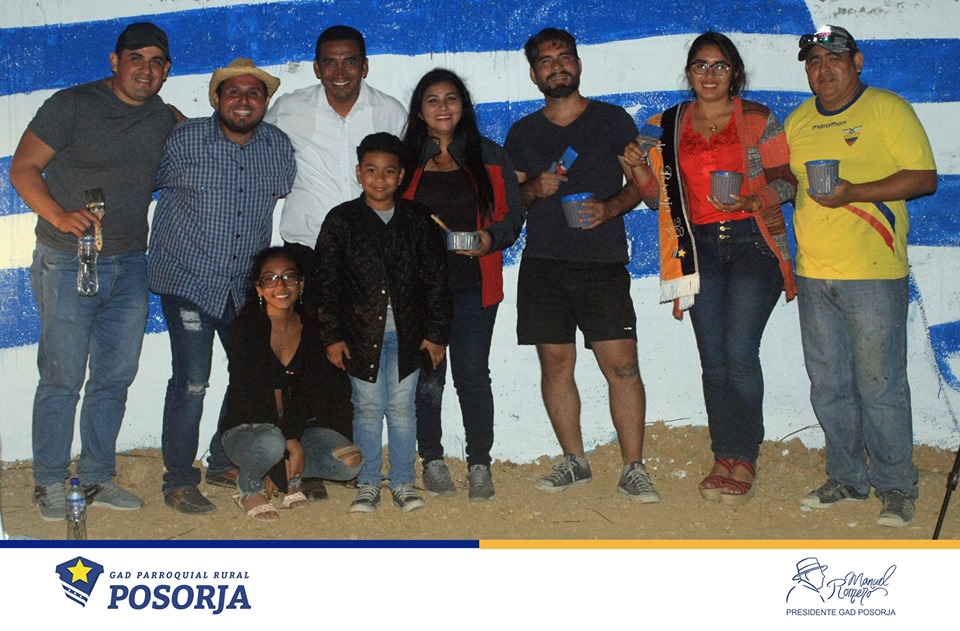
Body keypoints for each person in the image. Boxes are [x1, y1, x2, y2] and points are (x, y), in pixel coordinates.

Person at [10, 22, 178, 520]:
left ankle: (98, 475)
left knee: (114, 377)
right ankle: (49, 482)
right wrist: (59, 216)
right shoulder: (71, 104)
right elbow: (22, 168)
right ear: (115, 61)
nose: (146, 69)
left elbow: (202, 145)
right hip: (68, 259)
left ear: (167, 70)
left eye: (157, 62)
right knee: (62, 378)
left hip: (131, 263)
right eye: (136, 58)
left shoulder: (164, 117)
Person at [785, 25, 937, 527]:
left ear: (857, 62)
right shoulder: (799, 120)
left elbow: (924, 178)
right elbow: (789, 183)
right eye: (814, 61)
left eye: (834, 58)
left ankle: (896, 486)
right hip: (813, 271)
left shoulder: (887, 108)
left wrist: (854, 192)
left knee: (880, 384)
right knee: (828, 384)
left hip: (873, 272)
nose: (823, 69)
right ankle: (847, 478)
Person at [503, 28, 662, 502]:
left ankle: (634, 468)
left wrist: (609, 208)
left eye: (564, 57)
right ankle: (575, 461)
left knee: (623, 367)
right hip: (543, 264)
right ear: (534, 75)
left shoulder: (612, 120)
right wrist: (534, 189)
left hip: (601, 262)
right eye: (546, 61)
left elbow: (644, 188)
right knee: (556, 366)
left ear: (578, 63)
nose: (557, 66)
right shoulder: (523, 132)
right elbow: (510, 202)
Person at [644, 32, 797, 505]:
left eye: (720, 66)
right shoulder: (665, 124)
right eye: (700, 65)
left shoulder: (758, 118)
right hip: (700, 249)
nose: (709, 75)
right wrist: (635, 167)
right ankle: (722, 454)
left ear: (735, 73)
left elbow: (787, 181)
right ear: (688, 72)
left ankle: (745, 457)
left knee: (739, 352)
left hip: (753, 243)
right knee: (712, 359)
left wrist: (756, 199)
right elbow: (652, 196)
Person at [148, 58, 296, 514]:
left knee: (249, 375)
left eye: (254, 93)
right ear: (216, 98)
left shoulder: (278, 147)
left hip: (242, 287)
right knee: (192, 381)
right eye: (233, 92)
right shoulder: (183, 139)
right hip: (188, 278)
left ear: (265, 102)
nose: (244, 101)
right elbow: (146, 181)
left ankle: (221, 460)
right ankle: (178, 480)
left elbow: (280, 194)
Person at [400, 68, 525, 501]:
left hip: (475, 285)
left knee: (472, 376)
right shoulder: (405, 158)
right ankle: (432, 459)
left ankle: (479, 464)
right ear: (419, 110)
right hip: (420, 291)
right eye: (432, 100)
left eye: (451, 98)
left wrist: (491, 238)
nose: (442, 107)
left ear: (463, 106)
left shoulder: (489, 155)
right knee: (427, 378)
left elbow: (512, 214)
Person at [315, 132, 451, 514]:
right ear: (359, 173)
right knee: (367, 408)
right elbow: (326, 284)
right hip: (359, 336)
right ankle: (369, 483)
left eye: (389, 171)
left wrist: (436, 334)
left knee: (403, 408)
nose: (380, 179)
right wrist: (332, 336)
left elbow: (436, 280)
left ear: (401, 175)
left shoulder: (418, 220)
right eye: (371, 170)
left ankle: (404, 480)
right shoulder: (341, 221)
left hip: (409, 335)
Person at [219, 247, 362, 521]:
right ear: (259, 288)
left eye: (289, 277)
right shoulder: (244, 329)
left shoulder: (313, 330)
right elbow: (249, 396)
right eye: (270, 279)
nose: (281, 286)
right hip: (249, 429)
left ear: (302, 284)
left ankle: (286, 471)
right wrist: (285, 447)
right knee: (271, 442)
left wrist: (292, 439)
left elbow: (307, 393)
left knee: (349, 462)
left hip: (295, 426)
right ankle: (250, 487)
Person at [263, 24, 407, 271]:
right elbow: (252, 144)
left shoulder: (390, 112)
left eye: (350, 61)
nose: (340, 72)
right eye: (330, 62)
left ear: (364, 67)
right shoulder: (289, 109)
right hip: (306, 247)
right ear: (317, 68)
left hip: (372, 247)